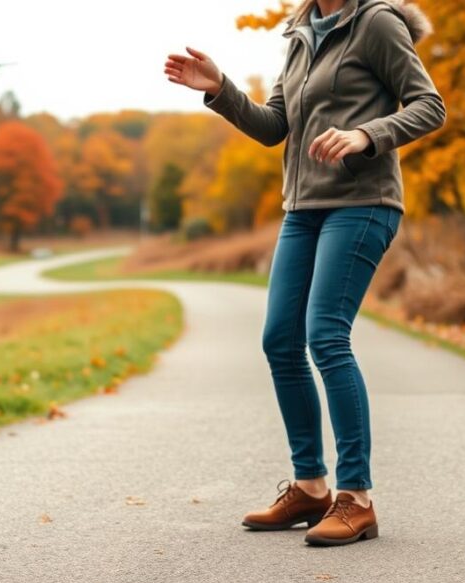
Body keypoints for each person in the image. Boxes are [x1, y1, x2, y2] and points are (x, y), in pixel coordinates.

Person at [164, 0, 445, 546]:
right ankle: (310, 485)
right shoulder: (299, 34)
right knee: (279, 341)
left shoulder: (377, 24)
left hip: (364, 202)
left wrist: (368, 135)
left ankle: (356, 497)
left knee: (326, 336)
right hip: (303, 210)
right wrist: (220, 88)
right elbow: (274, 128)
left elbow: (430, 106)